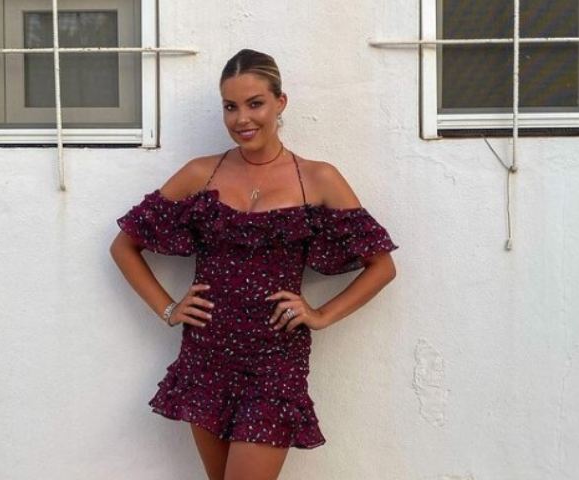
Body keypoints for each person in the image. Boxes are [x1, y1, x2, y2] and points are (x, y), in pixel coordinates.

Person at [110, 49, 399, 480]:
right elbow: (124, 246)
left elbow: (382, 266)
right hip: (206, 355)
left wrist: (320, 315)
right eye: (230, 106)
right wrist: (169, 308)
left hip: (274, 359)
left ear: (280, 102)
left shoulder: (319, 178)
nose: (242, 118)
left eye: (255, 103)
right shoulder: (200, 174)